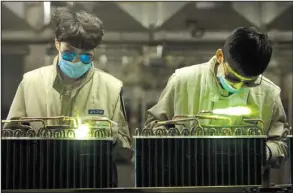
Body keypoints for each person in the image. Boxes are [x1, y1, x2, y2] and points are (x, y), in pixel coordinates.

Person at [5, 7, 132, 185]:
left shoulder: (111, 87)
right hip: (41, 181)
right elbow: (8, 140)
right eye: (69, 53)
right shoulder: (31, 83)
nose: (77, 61)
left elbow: (126, 152)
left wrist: (115, 137)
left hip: (92, 182)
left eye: (86, 57)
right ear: (57, 44)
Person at [145, 27, 288, 168]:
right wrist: (176, 145)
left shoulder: (269, 94)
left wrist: (265, 152)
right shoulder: (182, 82)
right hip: (186, 179)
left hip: (242, 184)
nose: (238, 87)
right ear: (220, 56)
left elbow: (281, 144)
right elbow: (154, 125)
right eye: (233, 78)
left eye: (249, 83)